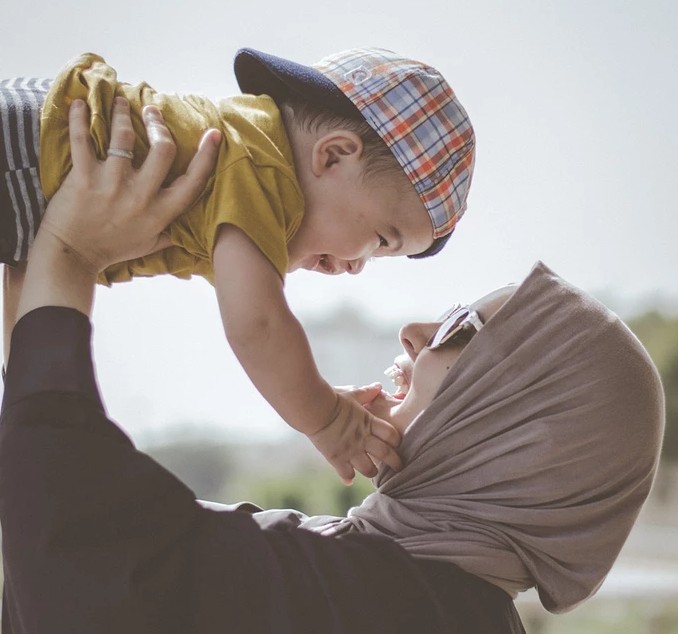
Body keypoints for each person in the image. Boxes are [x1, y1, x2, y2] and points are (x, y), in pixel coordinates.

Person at [0, 103, 663, 633]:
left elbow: (83, 544)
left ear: (520, 432)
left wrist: (66, 254)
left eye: (461, 330)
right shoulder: (437, 601)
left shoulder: (381, 602)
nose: (415, 330)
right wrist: (36, 294)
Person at [0, 47, 476, 484]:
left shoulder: (243, 171)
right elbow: (258, 325)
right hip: (22, 148)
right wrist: (327, 418)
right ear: (333, 156)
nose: (357, 268)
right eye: (379, 240)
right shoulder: (262, 171)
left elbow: (32, 261)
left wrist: (24, 385)